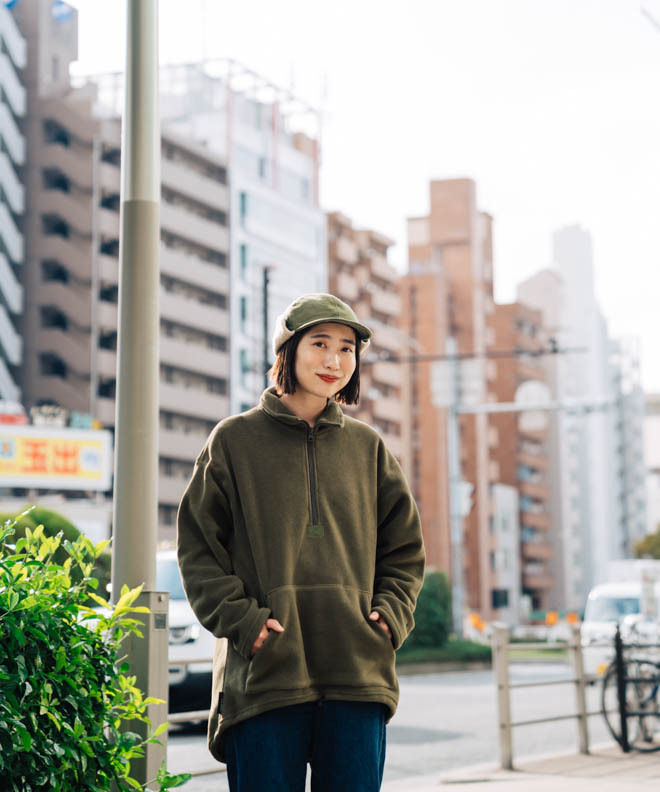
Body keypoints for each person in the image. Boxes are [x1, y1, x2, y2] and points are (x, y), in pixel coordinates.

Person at [177, 293, 425, 792]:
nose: (334, 361)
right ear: (287, 350)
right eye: (320, 344)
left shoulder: (368, 448)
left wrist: (390, 615)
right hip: (265, 675)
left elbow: (404, 548)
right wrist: (245, 624)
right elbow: (199, 548)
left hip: (357, 671)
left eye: (347, 349)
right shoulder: (233, 441)